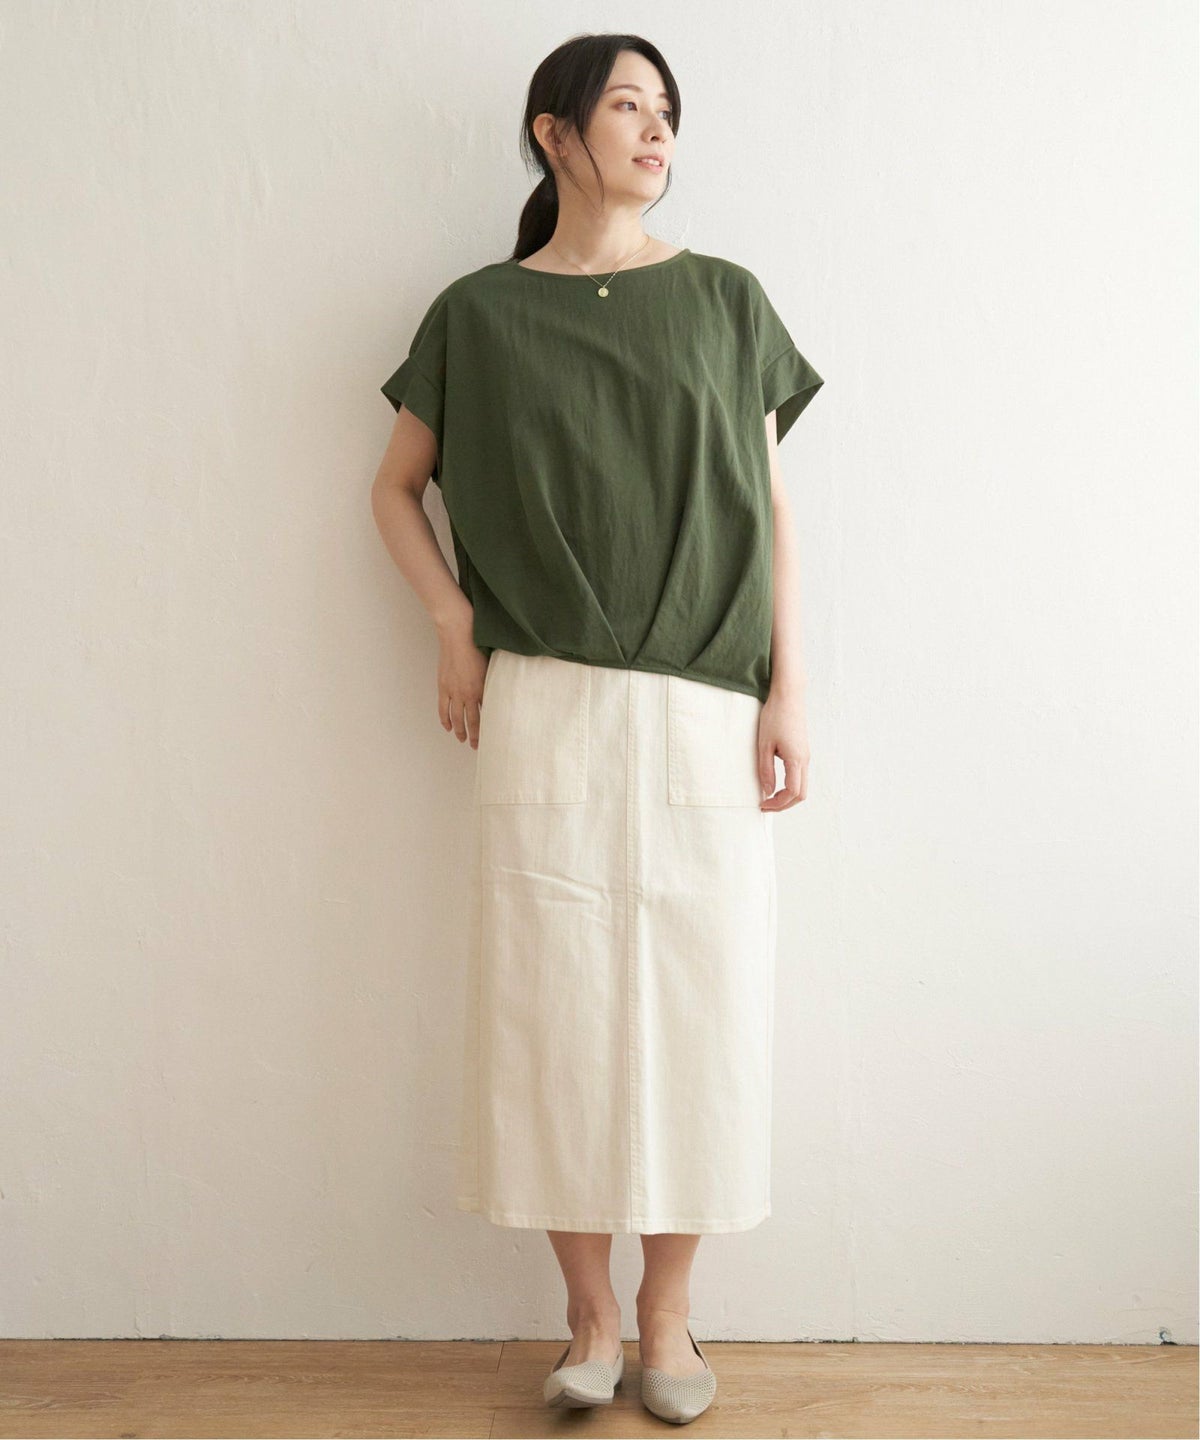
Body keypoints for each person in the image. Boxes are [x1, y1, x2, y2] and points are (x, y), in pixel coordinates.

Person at [371, 32, 824, 1425]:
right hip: (546, 697)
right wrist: (452, 625)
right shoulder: (478, 314)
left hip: (704, 700)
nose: (656, 129)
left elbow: (770, 508)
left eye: (667, 109)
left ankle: (670, 1318)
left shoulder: (726, 300)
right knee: (550, 998)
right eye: (628, 104)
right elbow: (393, 488)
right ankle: (587, 1315)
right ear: (553, 131)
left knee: (700, 998)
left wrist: (790, 687)